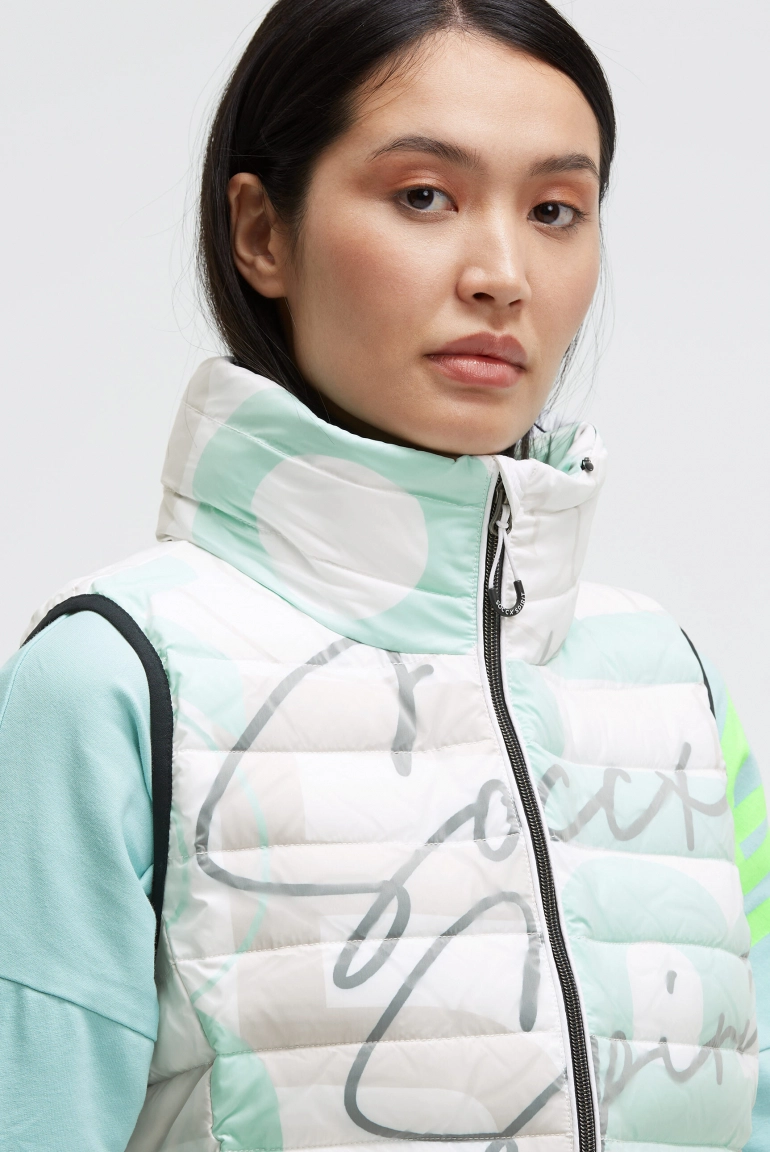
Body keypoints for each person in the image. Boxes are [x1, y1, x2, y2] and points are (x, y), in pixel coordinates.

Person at [0, 0, 767, 1148]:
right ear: (261, 233)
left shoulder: (669, 690)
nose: (502, 274)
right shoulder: (113, 680)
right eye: (422, 196)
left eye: (554, 210)